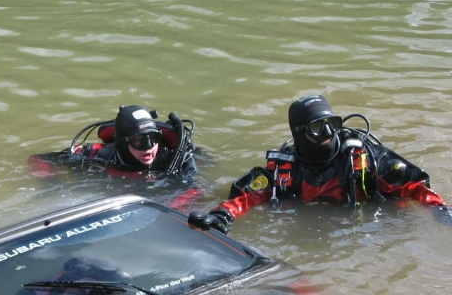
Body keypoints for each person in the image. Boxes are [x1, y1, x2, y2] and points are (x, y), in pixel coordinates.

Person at [188, 95, 450, 233]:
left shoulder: (363, 159)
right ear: (299, 132)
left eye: (332, 124)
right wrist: (221, 216)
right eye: (317, 127)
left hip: (366, 230)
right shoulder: (284, 171)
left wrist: (440, 211)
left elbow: (415, 187)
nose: (327, 133)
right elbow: (248, 197)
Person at [29, 104, 198, 179]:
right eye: (139, 141)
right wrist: (50, 184)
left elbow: (194, 192)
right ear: (122, 142)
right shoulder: (97, 154)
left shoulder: (173, 158)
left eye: (154, 138)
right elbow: (39, 159)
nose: (149, 147)